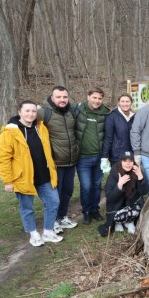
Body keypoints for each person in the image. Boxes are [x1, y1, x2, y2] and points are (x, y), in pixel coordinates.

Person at [0, 100, 63, 246]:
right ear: (20, 112)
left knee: (53, 202)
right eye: (27, 111)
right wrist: (7, 181)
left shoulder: (41, 127)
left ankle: (48, 231)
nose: (30, 114)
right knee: (27, 208)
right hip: (23, 178)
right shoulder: (10, 132)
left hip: (44, 175)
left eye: (33, 111)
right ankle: (33, 234)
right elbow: (3, 158)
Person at [37, 85, 85, 232]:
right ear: (52, 98)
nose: (62, 100)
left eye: (65, 97)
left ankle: (62, 217)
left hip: (71, 161)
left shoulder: (71, 111)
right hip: (55, 163)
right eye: (58, 97)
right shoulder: (43, 112)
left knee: (67, 191)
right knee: (55, 194)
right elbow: (25, 119)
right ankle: (53, 222)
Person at [76, 87, 111, 224]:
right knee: (86, 186)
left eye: (99, 98)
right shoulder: (78, 110)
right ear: (88, 96)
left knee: (97, 185)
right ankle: (85, 211)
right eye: (94, 97)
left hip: (99, 157)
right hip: (83, 158)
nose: (97, 101)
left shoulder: (106, 113)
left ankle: (94, 210)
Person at [100, 151, 149, 236]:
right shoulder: (114, 172)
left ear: (133, 162)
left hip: (130, 205)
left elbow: (144, 192)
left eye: (130, 161)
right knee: (117, 215)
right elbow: (110, 198)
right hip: (116, 208)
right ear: (120, 162)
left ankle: (129, 222)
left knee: (139, 206)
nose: (128, 164)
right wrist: (119, 185)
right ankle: (118, 223)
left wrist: (140, 177)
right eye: (125, 161)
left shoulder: (136, 170)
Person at [102, 93, 135, 167]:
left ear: (131, 102)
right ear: (119, 102)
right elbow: (108, 138)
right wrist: (104, 157)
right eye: (122, 101)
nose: (125, 104)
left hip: (131, 155)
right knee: (118, 178)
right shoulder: (112, 117)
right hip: (117, 156)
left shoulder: (135, 117)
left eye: (127, 101)